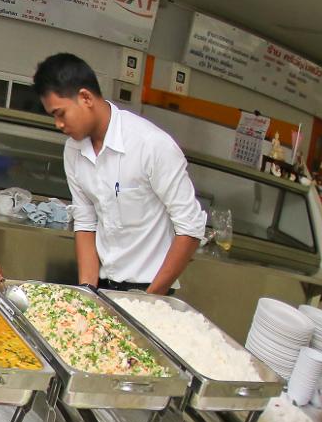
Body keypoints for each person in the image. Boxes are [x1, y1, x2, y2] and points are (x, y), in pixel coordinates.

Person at [32, 53, 206, 293]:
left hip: (152, 288)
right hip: (104, 285)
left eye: (60, 113)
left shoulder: (151, 144)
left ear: (85, 98)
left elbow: (191, 228)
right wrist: (87, 292)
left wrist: (150, 299)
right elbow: (85, 222)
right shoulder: (73, 150)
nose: (58, 124)